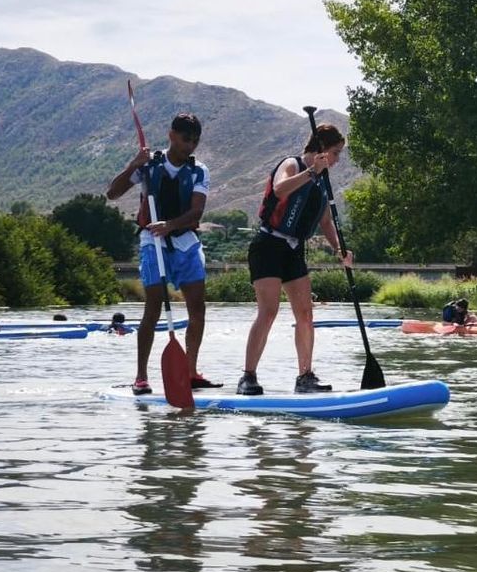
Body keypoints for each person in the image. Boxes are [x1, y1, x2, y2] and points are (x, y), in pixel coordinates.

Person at [106, 113, 217, 396]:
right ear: (171, 135)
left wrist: (170, 225)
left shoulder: (199, 170)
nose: (189, 146)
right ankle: (141, 376)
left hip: (185, 241)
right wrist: (133, 164)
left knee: (198, 309)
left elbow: (197, 212)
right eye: (184, 139)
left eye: (194, 141)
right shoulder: (149, 164)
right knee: (152, 309)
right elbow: (112, 194)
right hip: (151, 241)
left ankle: (190, 371)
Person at [240, 123, 353, 396]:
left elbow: (325, 221)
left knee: (305, 313)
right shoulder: (292, 164)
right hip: (267, 244)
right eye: (336, 153)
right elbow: (280, 190)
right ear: (322, 149)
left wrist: (339, 249)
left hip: (293, 250)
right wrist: (312, 170)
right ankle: (248, 377)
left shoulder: (322, 180)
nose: (337, 160)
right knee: (268, 312)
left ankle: (305, 377)